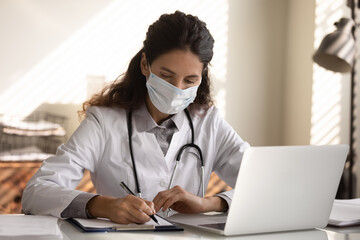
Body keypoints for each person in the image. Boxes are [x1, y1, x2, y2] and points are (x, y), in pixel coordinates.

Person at [22, 11, 250, 224]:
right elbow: (36, 192)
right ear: (145, 65)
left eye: (189, 81)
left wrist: (206, 203)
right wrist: (102, 205)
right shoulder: (104, 122)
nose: (177, 89)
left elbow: (267, 186)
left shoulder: (209, 122)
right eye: (166, 75)